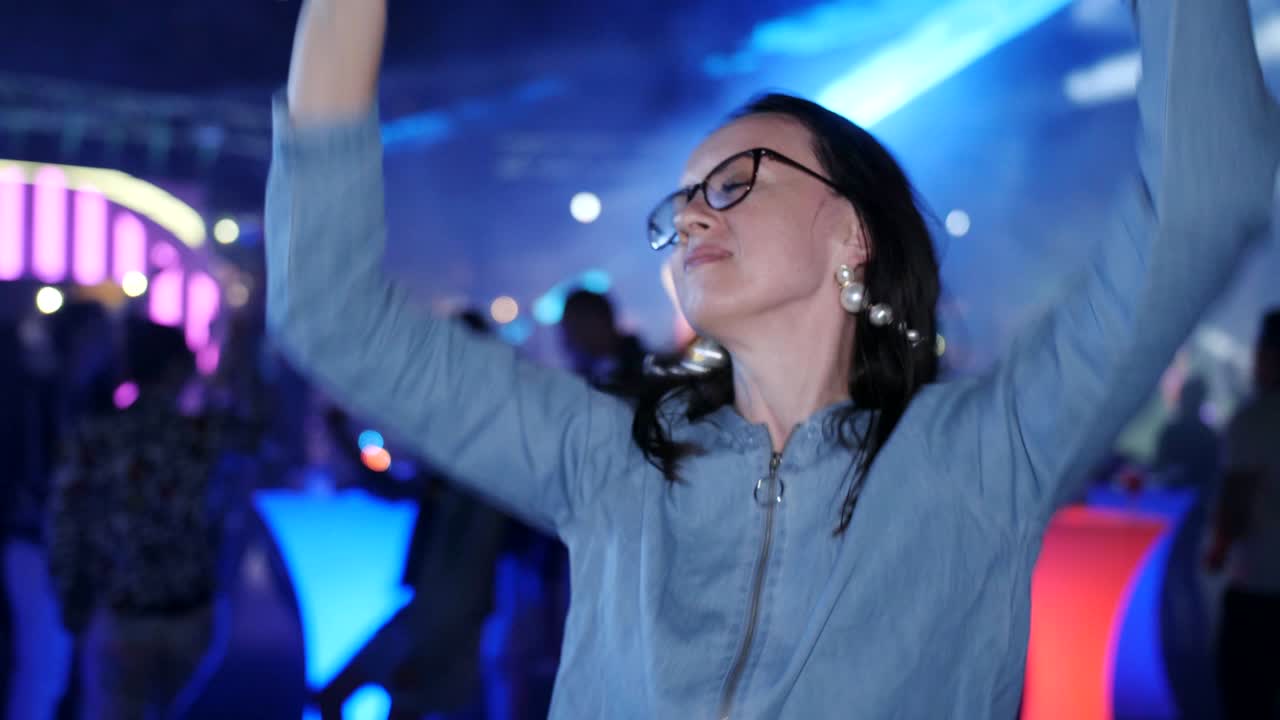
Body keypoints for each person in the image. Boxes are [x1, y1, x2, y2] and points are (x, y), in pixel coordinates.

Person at [266, 0, 1279, 715]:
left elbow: (1202, 199)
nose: (689, 217)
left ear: (850, 234)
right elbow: (330, 310)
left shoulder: (988, 451)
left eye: (734, 182)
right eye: (678, 205)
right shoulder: (610, 456)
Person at [315, 310, 509, 720]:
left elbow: (473, 548)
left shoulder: (480, 443)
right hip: (437, 613)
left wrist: (433, 644)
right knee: (361, 699)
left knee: (385, 702)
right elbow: (408, 492)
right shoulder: (468, 435)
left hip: (443, 618)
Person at [47, 320, 223, 720]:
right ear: (175, 367)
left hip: (119, 612)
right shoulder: (202, 436)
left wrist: (71, 602)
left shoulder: (97, 436)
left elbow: (66, 522)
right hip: (189, 610)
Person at [1205, 309, 1280, 719]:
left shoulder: (1254, 421)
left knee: (1246, 702)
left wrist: (1216, 552)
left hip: (1258, 593)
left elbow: (1236, 503)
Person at [560, 289, 649, 400]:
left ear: (603, 320)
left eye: (577, 327)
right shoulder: (583, 382)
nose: (573, 337)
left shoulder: (647, 370)